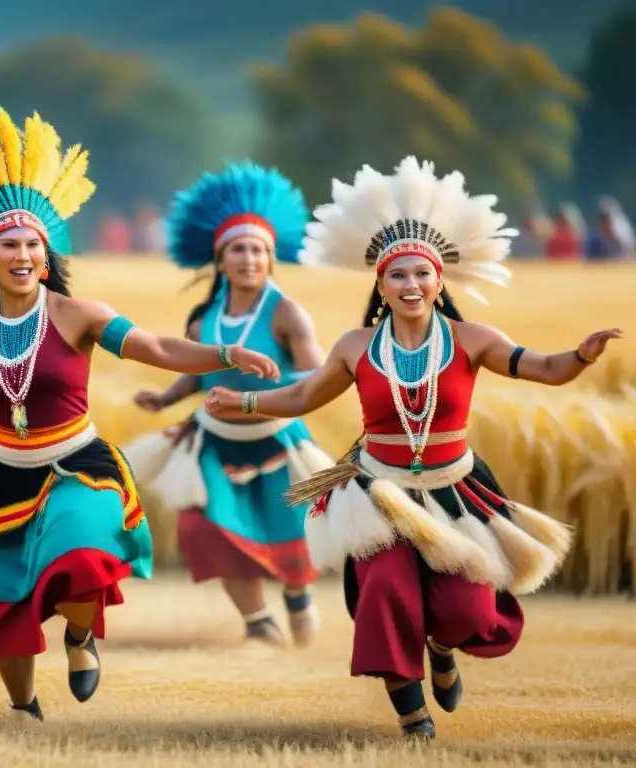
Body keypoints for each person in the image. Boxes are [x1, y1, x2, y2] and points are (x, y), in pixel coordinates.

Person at [0, 108, 280, 724]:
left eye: (32, 244)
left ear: (46, 255)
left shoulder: (78, 315)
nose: (22, 253)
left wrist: (225, 353)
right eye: (8, 244)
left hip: (75, 465)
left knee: (84, 553)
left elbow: (160, 349)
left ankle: (80, 635)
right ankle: (23, 707)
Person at [203, 156, 622, 740]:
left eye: (421, 275)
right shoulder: (356, 346)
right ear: (381, 284)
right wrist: (244, 403)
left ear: (439, 280)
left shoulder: (473, 339)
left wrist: (580, 357)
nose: (410, 286)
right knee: (386, 593)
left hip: (456, 492)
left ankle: (442, 647)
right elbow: (302, 397)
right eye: (397, 276)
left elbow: (546, 369)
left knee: (466, 611)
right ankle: (411, 715)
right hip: (377, 493)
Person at [124, 161, 335, 647]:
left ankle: (298, 596)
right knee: (204, 529)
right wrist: (167, 396)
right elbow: (199, 372)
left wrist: (254, 399)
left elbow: (319, 376)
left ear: (271, 257)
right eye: (237, 250)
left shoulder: (286, 311)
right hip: (215, 445)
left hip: (276, 440)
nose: (247, 259)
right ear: (220, 260)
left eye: (257, 250)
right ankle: (259, 622)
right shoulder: (204, 318)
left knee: (291, 528)